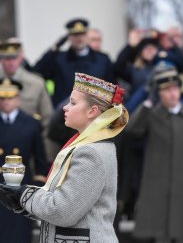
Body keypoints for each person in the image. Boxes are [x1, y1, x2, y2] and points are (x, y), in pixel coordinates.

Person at [0, 72, 128, 242]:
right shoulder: (88, 146)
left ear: (92, 111)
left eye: (73, 103)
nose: (65, 107)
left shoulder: (91, 153)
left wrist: (24, 195)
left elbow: (62, 211)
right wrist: (22, 204)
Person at [126, 63, 183, 243]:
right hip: (158, 187)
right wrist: (147, 103)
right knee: (160, 234)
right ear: (159, 94)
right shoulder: (152, 115)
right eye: (167, 90)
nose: (172, 93)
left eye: (175, 88)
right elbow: (132, 130)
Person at [0, 78, 49, 243]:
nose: (6, 102)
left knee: (18, 232)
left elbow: (41, 160)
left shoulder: (31, 123)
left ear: (18, 98)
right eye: (2, 98)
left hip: (20, 185)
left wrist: (38, 189)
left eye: (10, 97)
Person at [34, 18, 114, 107]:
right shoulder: (59, 59)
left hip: (94, 112)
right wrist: (55, 46)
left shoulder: (102, 59)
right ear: (69, 37)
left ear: (87, 35)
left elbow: (111, 89)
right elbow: (37, 71)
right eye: (75, 34)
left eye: (82, 34)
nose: (79, 38)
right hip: (66, 112)